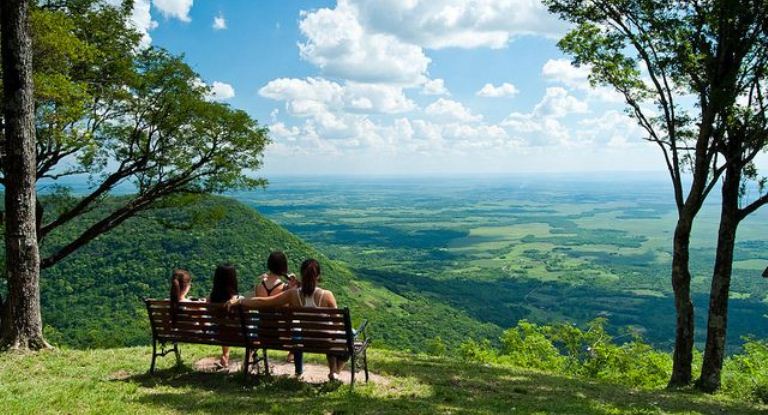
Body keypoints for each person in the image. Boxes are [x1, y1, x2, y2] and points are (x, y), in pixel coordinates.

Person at [228, 259, 346, 381]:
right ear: (319, 276)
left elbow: (264, 302)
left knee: (330, 337)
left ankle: (333, 371)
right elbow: (338, 325)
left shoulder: (292, 294)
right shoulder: (327, 295)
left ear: (301, 274)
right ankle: (335, 372)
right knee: (348, 335)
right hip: (326, 340)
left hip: (305, 340)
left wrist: (241, 300)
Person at [208, 263, 240, 368]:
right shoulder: (237, 300)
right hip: (239, 335)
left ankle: (225, 355)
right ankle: (248, 359)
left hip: (215, 333)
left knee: (223, 326)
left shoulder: (211, 298)